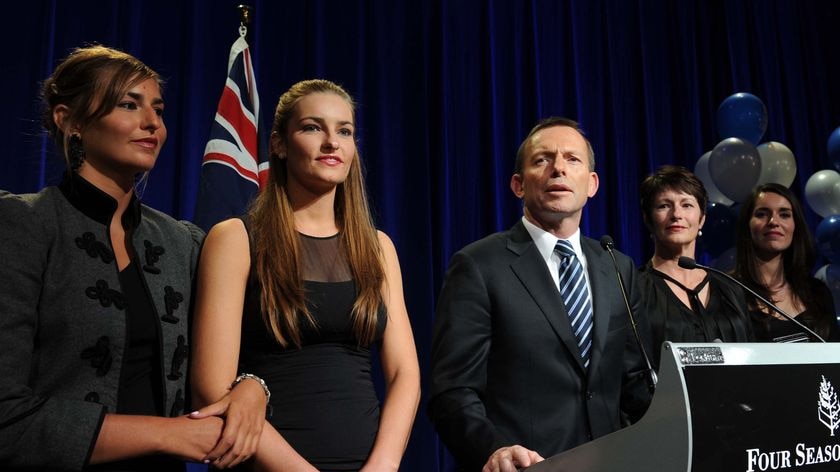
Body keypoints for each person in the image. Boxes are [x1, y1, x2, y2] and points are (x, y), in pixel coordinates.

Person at [0, 45, 225, 471]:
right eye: (129, 104)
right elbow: (6, 417)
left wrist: (254, 387)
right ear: (72, 121)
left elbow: (244, 353)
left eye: (157, 109)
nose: (152, 123)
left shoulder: (182, 242)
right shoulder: (22, 225)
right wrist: (169, 434)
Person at [190, 79, 421, 471]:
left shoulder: (378, 247)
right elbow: (211, 386)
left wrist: (382, 466)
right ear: (279, 144)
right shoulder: (235, 239)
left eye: (344, 131)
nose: (332, 142)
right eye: (313, 127)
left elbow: (404, 373)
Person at [428, 117, 653, 472]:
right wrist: (494, 450)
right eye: (542, 159)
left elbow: (634, 382)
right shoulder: (479, 265)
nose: (558, 168)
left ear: (592, 184)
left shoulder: (618, 265)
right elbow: (452, 390)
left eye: (572, 159)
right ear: (518, 185)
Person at [637, 165, 753, 368]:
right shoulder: (635, 288)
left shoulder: (730, 288)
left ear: (701, 219)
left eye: (687, 205)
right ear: (648, 220)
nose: (676, 214)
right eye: (664, 205)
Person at [733, 182, 839, 342]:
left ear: (795, 225)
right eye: (762, 214)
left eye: (784, 215)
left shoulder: (818, 293)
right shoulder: (729, 293)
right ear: (747, 225)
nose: (773, 221)